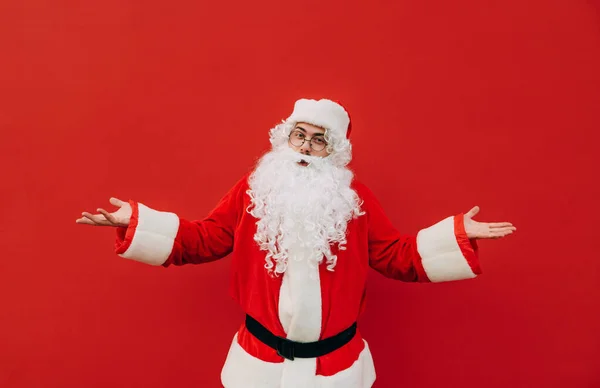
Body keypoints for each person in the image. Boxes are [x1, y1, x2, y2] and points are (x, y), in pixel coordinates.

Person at [76, 98, 516, 388]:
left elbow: (392, 255)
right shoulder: (253, 189)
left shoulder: (354, 199)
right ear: (284, 139)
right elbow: (206, 237)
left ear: (336, 150)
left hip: (335, 369)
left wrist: (456, 235)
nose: (306, 147)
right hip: (260, 364)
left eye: (319, 140)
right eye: (299, 135)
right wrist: (134, 222)